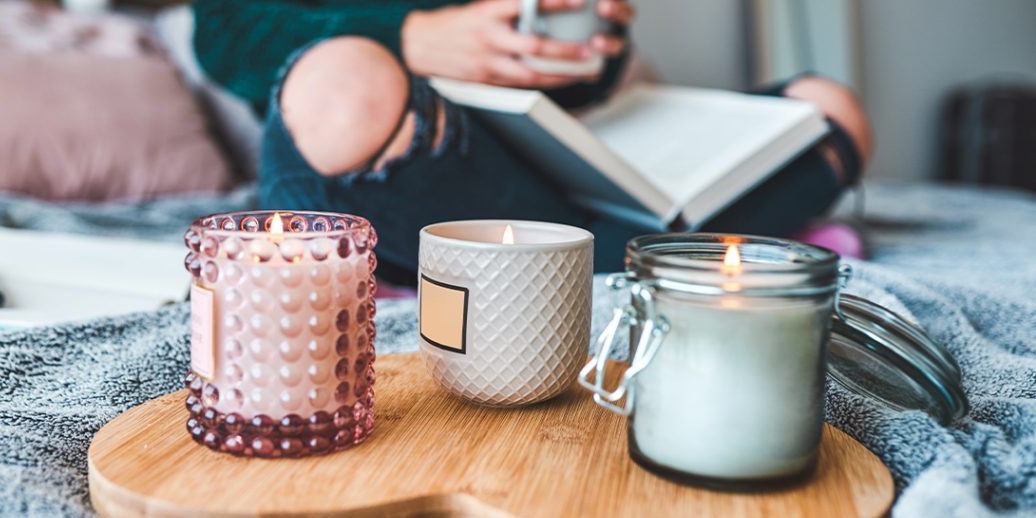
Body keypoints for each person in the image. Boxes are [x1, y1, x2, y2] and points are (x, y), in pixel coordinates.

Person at [193, 0, 873, 283]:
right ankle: (634, 254)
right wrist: (412, 36)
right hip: (405, 151)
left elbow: (582, 82)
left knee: (828, 109)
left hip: (536, 149)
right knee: (344, 83)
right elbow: (222, 35)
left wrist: (588, 43)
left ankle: (590, 253)